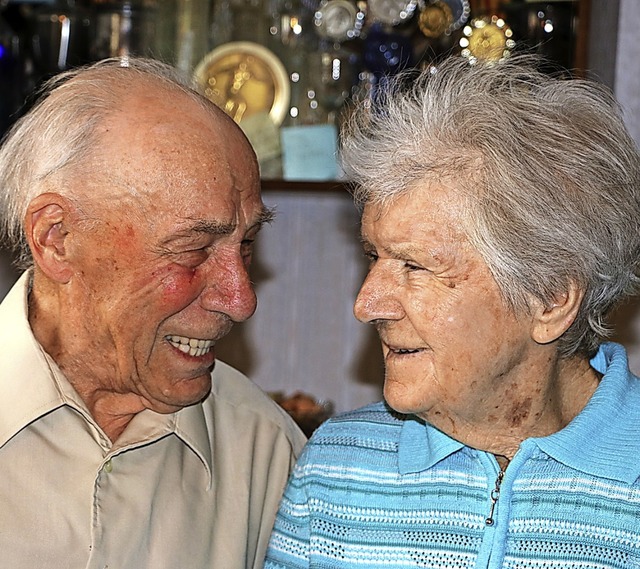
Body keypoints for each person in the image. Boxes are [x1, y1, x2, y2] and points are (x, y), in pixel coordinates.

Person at [264, 55, 640, 568]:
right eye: (373, 256)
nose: (366, 304)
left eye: (415, 266)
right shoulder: (338, 469)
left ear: (550, 298)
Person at [0, 57, 306, 568]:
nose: (241, 299)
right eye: (193, 248)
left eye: (246, 243)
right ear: (56, 239)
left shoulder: (268, 456)